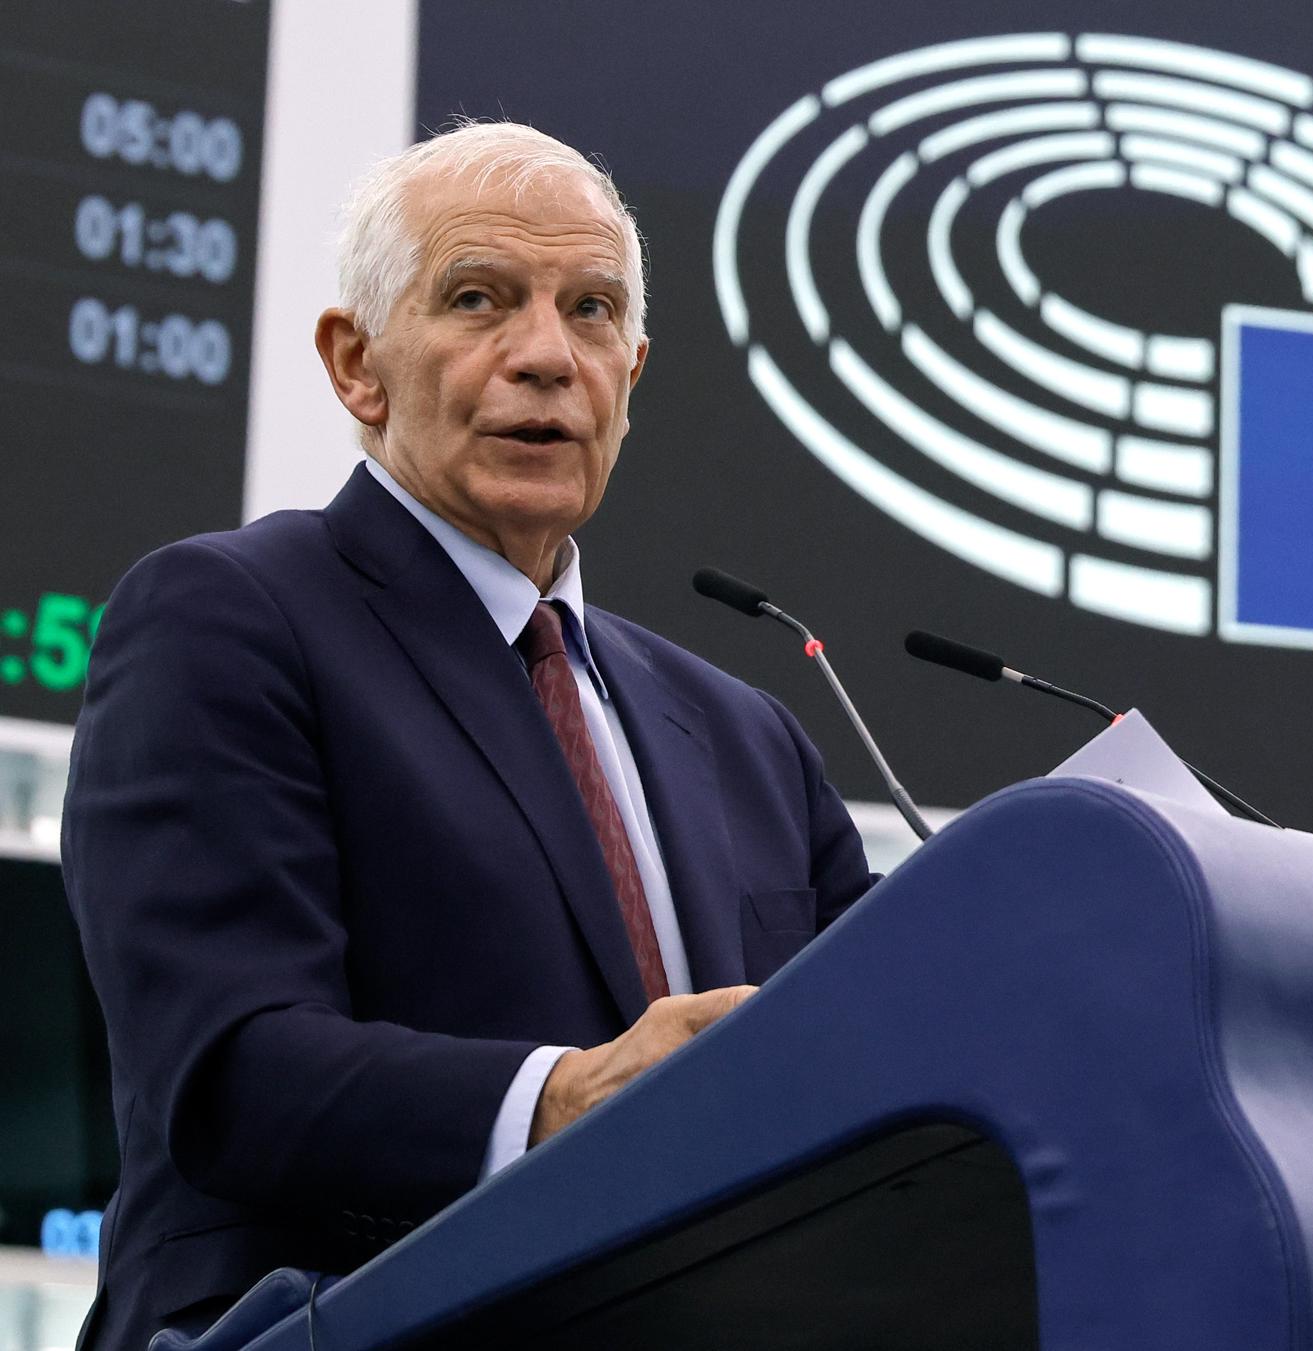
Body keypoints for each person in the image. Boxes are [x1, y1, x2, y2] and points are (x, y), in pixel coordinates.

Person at [61, 120, 876, 1349]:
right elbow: (227, 1069)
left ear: (633, 374)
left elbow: (876, 1068)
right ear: (356, 364)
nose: (547, 357)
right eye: (480, 299)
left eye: (592, 311)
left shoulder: (749, 734)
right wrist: (559, 1097)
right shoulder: (227, 620)